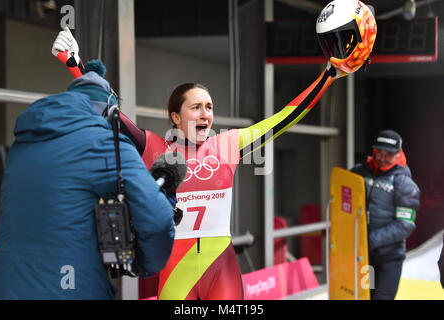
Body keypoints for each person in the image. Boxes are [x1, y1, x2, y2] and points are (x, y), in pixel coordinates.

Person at [52, 0, 376, 300]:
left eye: (209, 106)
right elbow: (112, 114)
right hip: (175, 268)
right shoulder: (154, 146)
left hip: (222, 266)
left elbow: (285, 117)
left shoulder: (228, 144)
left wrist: (329, 76)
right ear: (176, 117)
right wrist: (75, 65)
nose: (206, 114)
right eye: (196, 108)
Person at [0, 62, 175, 299]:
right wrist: (146, 265)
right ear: (111, 113)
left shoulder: (23, 145)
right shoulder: (106, 144)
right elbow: (158, 218)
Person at [351, 129, 420, 300]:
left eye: (388, 155)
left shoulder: (405, 184)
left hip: (389, 258)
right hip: (364, 257)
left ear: (398, 154)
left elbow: (405, 225)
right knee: (364, 296)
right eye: (379, 153)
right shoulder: (358, 173)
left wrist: (370, 240)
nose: (382, 158)